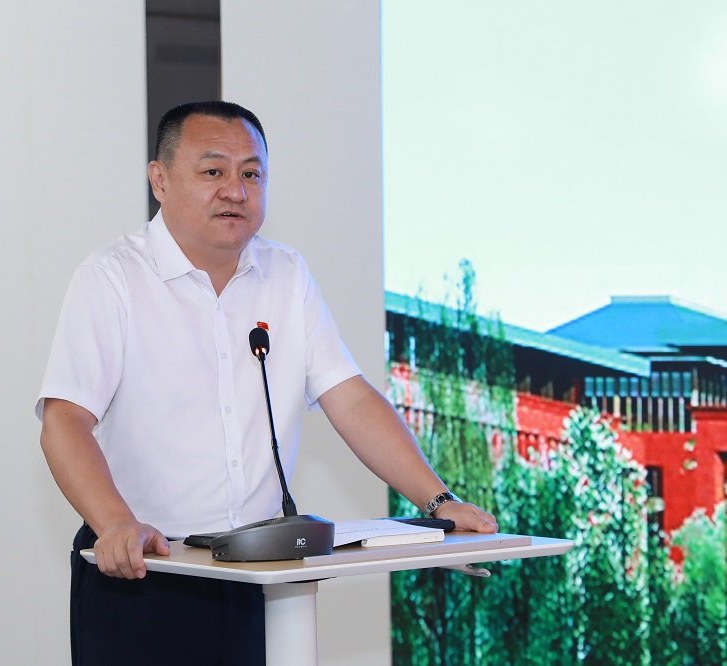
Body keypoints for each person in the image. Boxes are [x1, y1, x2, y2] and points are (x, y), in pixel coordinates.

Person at [37, 101, 498, 664]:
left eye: (251, 174)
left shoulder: (287, 274)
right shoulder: (112, 278)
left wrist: (439, 501)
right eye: (213, 171)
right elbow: (64, 421)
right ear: (159, 180)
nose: (235, 190)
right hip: (141, 569)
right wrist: (115, 524)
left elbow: (350, 399)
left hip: (258, 571)